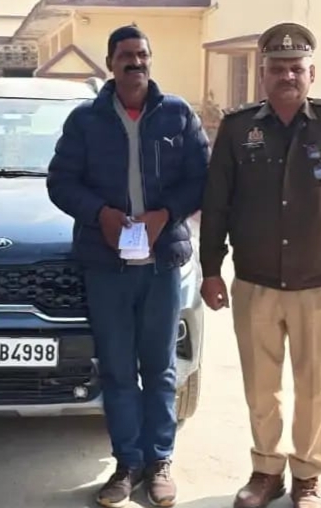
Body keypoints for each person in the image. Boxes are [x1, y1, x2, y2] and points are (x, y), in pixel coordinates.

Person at [46, 25, 209, 508]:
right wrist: (100, 214)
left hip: (161, 265)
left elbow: (201, 178)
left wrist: (165, 214)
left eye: (141, 55)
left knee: (159, 368)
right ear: (110, 64)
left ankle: (159, 462)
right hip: (106, 265)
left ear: (149, 60)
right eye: (125, 56)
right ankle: (127, 463)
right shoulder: (85, 121)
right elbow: (60, 181)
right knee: (117, 370)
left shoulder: (177, 114)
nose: (135, 62)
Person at [200, 22, 321, 508]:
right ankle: (266, 470)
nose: (287, 75)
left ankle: (308, 474)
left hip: (317, 283)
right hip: (255, 282)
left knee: (315, 388)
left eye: (296, 67)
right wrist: (212, 269)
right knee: (260, 387)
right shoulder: (237, 129)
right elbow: (216, 203)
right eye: (277, 68)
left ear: (311, 73)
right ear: (263, 73)